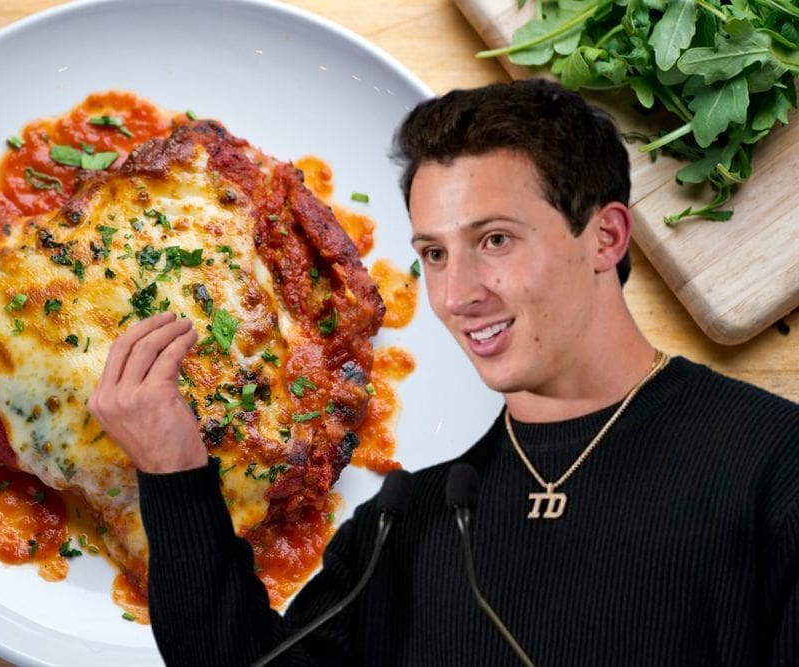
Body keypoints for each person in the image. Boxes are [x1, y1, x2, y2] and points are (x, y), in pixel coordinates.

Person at [88, 79, 799, 665]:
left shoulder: (772, 461)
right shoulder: (407, 524)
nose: (457, 294)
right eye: (433, 253)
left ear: (606, 236)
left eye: (494, 240)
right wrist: (174, 471)